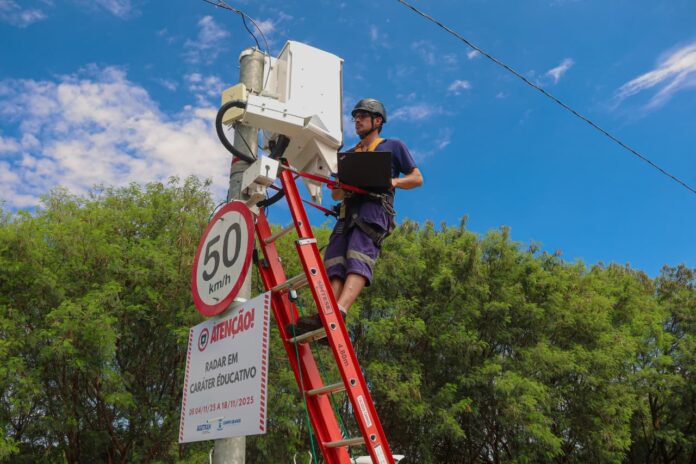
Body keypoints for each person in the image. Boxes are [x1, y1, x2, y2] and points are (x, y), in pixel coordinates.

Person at [289, 98, 423, 336]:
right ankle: (328, 313)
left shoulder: (393, 146)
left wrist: (392, 181)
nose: (357, 121)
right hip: (347, 213)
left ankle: (340, 310)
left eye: (362, 116)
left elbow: (417, 178)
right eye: (355, 117)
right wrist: (341, 186)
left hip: (373, 210)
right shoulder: (350, 155)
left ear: (377, 121)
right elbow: (336, 195)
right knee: (335, 261)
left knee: (358, 256)